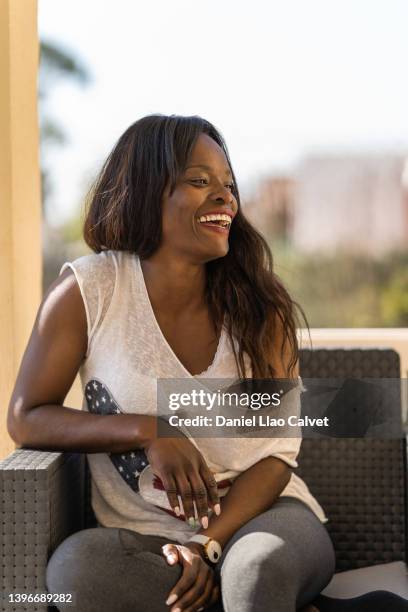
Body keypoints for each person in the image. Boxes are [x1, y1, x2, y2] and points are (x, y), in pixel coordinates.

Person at [7, 114, 335, 612]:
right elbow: (26, 417)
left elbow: (276, 456)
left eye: (228, 186)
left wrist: (205, 545)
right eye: (200, 182)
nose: (225, 198)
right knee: (75, 573)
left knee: (255, 573)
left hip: (264, 519)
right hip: (146, 538)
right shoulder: (89, 291)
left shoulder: (262, 306)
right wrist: (149, 430)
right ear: (145, 190)